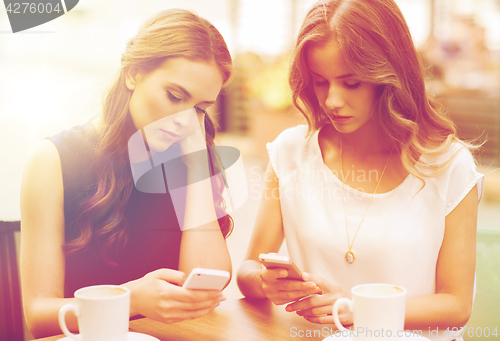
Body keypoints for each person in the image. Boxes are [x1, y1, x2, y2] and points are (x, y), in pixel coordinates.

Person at [237, 1, 483, 340]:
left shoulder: (448, 166)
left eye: (351, 83)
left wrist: (356, 308)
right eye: (319, 81)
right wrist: (266, 283)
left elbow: (456, 307)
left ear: (390, 77)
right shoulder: (291, 152)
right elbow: (248, 270)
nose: (332, 100)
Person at [20, 9, 233, 338]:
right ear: (133, 74)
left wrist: (197, 165)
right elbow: (38, 316)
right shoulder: (53, 159)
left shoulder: (190, 154)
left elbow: (205, 282)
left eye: (201, 108)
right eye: (174, 96)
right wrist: (130, 300)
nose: (185, 120)